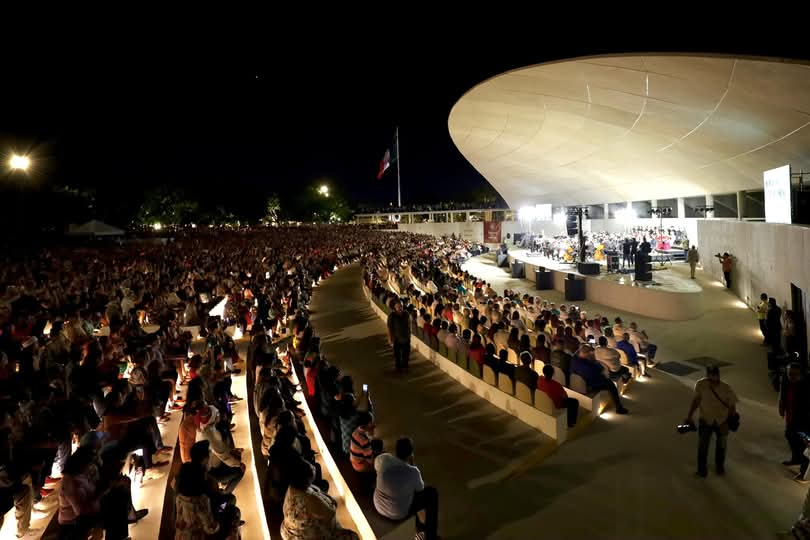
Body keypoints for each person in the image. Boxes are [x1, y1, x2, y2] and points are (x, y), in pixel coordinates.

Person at [373, 438, 439, 540]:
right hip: (398, 513)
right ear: (410, 454)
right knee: (431, 493)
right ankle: (430, 536)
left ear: (396, 451)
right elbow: (420, 490)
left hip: (378, 505)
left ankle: (420, 528)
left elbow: (377, 465)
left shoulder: (385, 460)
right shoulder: (413, 471)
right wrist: (412, 465)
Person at [280, 457, 359, 540]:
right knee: (352, 536)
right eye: (312, 468)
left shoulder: (292, 487)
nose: (314, 468)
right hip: (304, 536)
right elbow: (330, 513)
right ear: (306, 478)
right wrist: (328, 500)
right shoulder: (309, 499)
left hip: (289, 530)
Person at [684, 365, 738, 477]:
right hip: (705, 420)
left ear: (718, 376)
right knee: (702, 447)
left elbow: (732, 407)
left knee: (721, 447)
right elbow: (696, 400)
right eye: (710, 377)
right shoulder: (701, 384)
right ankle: (702, 470)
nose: (712, 379)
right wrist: (689, 416)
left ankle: (719, 467)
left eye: (714, 376)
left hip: (721, 421)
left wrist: (728, 423)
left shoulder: (726, 388)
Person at [570, 345, 628, 414]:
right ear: (586, 354)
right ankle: (619, 408)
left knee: (607, 380)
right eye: (589, 354)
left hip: (579, 381)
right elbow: (598, 371)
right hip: (590, 385)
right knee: (611, 384)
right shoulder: (587, 366)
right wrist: (595, 362)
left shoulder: (574, 359)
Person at [780, 363, 810, 482]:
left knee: (806, 446)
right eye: (789, 374)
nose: (791, 376)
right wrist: (782, 406)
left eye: (795, 374)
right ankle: (796, 459)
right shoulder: (786, 380)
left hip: (805, 421)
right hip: (792, 417)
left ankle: (804, 474)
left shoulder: (807, 385)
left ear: (801, 374)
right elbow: (783, 393)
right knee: (789, 434)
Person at [387, 301, 411, 372]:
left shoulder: (406, 314)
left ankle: (405, 366)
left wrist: (409, 334)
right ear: (395, 308)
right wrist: (390, 338)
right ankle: (398, 367)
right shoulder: (392, 316)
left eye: (401, 306)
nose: (400, 308)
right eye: (398, 307)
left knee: (406, 353)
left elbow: (408, 324)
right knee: (397, 355)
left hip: (406, 337)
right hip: (396, 338)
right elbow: (389, 328)